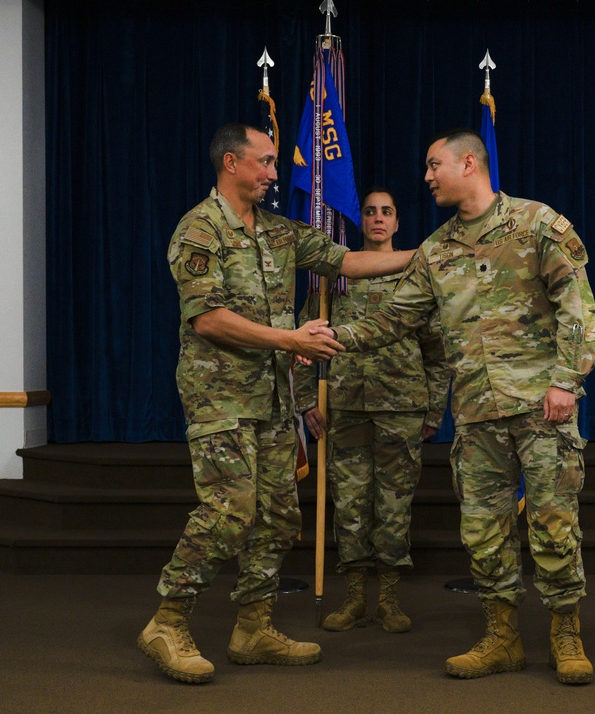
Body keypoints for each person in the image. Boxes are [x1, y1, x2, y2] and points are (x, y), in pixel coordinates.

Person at [313, 128, 595, 685]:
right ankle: (502, 637)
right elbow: (395, 320)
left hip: (542, 410)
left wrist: (566, 381)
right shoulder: (436, 249)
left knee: (554, 526)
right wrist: (328, 340)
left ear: (468, 163)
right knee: (484, 531)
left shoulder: (538, 224)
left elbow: (577, 306)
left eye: (432, 165)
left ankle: (566, 633)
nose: (425, 177)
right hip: (475, 415)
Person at [137, 123, 414, 685]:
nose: (273, 173)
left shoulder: (280, 232)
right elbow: (208, 318)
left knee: (277, 516)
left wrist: (432, 253)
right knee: (228, 510)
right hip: (222, 398)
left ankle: (253, 627)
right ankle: (168, 620)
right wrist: (290, 340)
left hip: (273, 400)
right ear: (232, 163)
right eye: (265, 162)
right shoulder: (199, 228)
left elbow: (349, 262)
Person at [294, 187, 449, 634]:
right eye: (370, 212)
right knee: (350, 504)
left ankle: (389, 598)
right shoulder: (334, 278)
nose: (378, 219)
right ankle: (356, 597)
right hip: (344, 406)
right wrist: (306, 402)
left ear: (398, 222)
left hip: (401, 406)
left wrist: (434, 411)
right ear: (359, 219)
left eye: (387, 211)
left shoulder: (417, 277)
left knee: (394, 506)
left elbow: (437, 354)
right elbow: (306, 342)